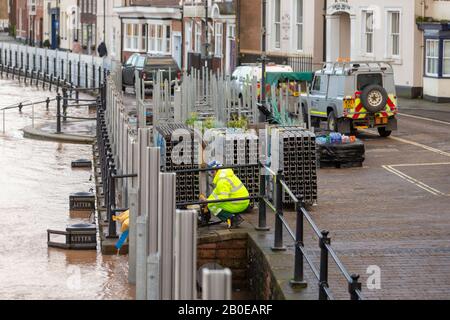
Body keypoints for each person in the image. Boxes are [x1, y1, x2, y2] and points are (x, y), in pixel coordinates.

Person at [204, 161, 249, 228]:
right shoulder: (225, 174)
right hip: (242, 200)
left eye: (212, 172)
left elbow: (223, 198)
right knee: (212, 201)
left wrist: (208, 201)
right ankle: (235, 216)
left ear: (216, 171)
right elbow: (215, 193)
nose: (211, 174)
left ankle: (233, 219)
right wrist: (208, 200)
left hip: (239, 203)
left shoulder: (222, 180)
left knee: (211, 205)